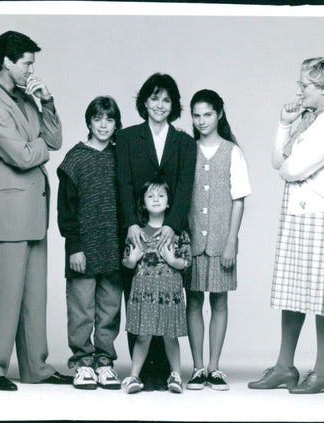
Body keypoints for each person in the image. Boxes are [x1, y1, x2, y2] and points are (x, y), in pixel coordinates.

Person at [248, 57, 324, 394]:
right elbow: (277, 160)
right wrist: (284, 124)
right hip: (301, 213)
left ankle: (323, 371)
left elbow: (292, 169)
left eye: (305, 85)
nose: (299, 90)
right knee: (293, 293)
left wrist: (288, 165)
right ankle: (284, 367)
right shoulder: (311, 118)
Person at [0, 30, 71, 391]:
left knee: (33, 299)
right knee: (2, 297)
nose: (32, 69)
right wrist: (39, 143)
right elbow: (24, 155)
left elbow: (55, 139)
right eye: (27, 62)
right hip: (9, 213)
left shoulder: (26, 97)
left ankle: (36, 368)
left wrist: (47, 101)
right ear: (7, 62)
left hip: (33, 212)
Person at [115, 73, 197, 391]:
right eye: (154, 98)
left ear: (173, 105)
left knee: (168, 301)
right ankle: (142, 374)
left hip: (171, 228)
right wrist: (132, 223)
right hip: (138, 227)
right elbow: (123, 183)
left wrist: (172, 227)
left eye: (166, 99)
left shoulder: (185, 143)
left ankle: (168, 372)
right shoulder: (127, 137)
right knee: (138, 299)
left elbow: (185, 187)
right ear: (145, 102)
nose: (160, 105)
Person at [183, 90, 251, 391]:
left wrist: (231, 241)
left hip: (222, 239)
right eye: (196, 115)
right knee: (194, 299)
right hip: (193, 239)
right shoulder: (187, 149)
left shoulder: (232, 151)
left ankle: (214, 367)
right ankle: (197, 368)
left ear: (219, 114)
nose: (201, 121)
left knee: (219, 300)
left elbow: (239, 199)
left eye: (207, 114)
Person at [56, 96, 124, 390]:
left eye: (109, 120)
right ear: (89, 122)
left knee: (109, 308)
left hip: (114, 247)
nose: (103, 125)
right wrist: (74, 246)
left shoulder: (121, 157)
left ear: (116, 124)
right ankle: (83, 363)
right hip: (83, 248)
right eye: (98, 119)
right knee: (82, 308)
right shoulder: (75, 158)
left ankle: (105, 361)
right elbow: (65, 208)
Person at [120, 178, 191, 394]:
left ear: (169, 202)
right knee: (143, 336)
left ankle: (176, 375)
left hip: (169, 291)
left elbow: (186, 261)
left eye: (161, 195)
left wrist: (172, 261)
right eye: (150, 196)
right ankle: (134, 376)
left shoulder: (177, 232)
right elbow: (127, 262)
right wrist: (132, 259)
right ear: (143, 202)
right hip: (144, 292)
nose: (156, 200)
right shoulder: (136, 232)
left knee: (170, 336)